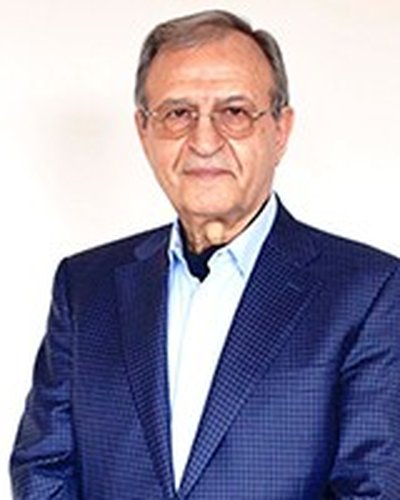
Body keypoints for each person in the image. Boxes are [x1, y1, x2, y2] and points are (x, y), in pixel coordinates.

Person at [10, 9, 400, 499]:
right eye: (178, 113)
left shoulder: (369, 292)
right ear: (144, 131)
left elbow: (374, 489)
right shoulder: (85, 286)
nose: (204, 140)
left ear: (280, 130)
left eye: (234, 112)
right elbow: (44, 467)